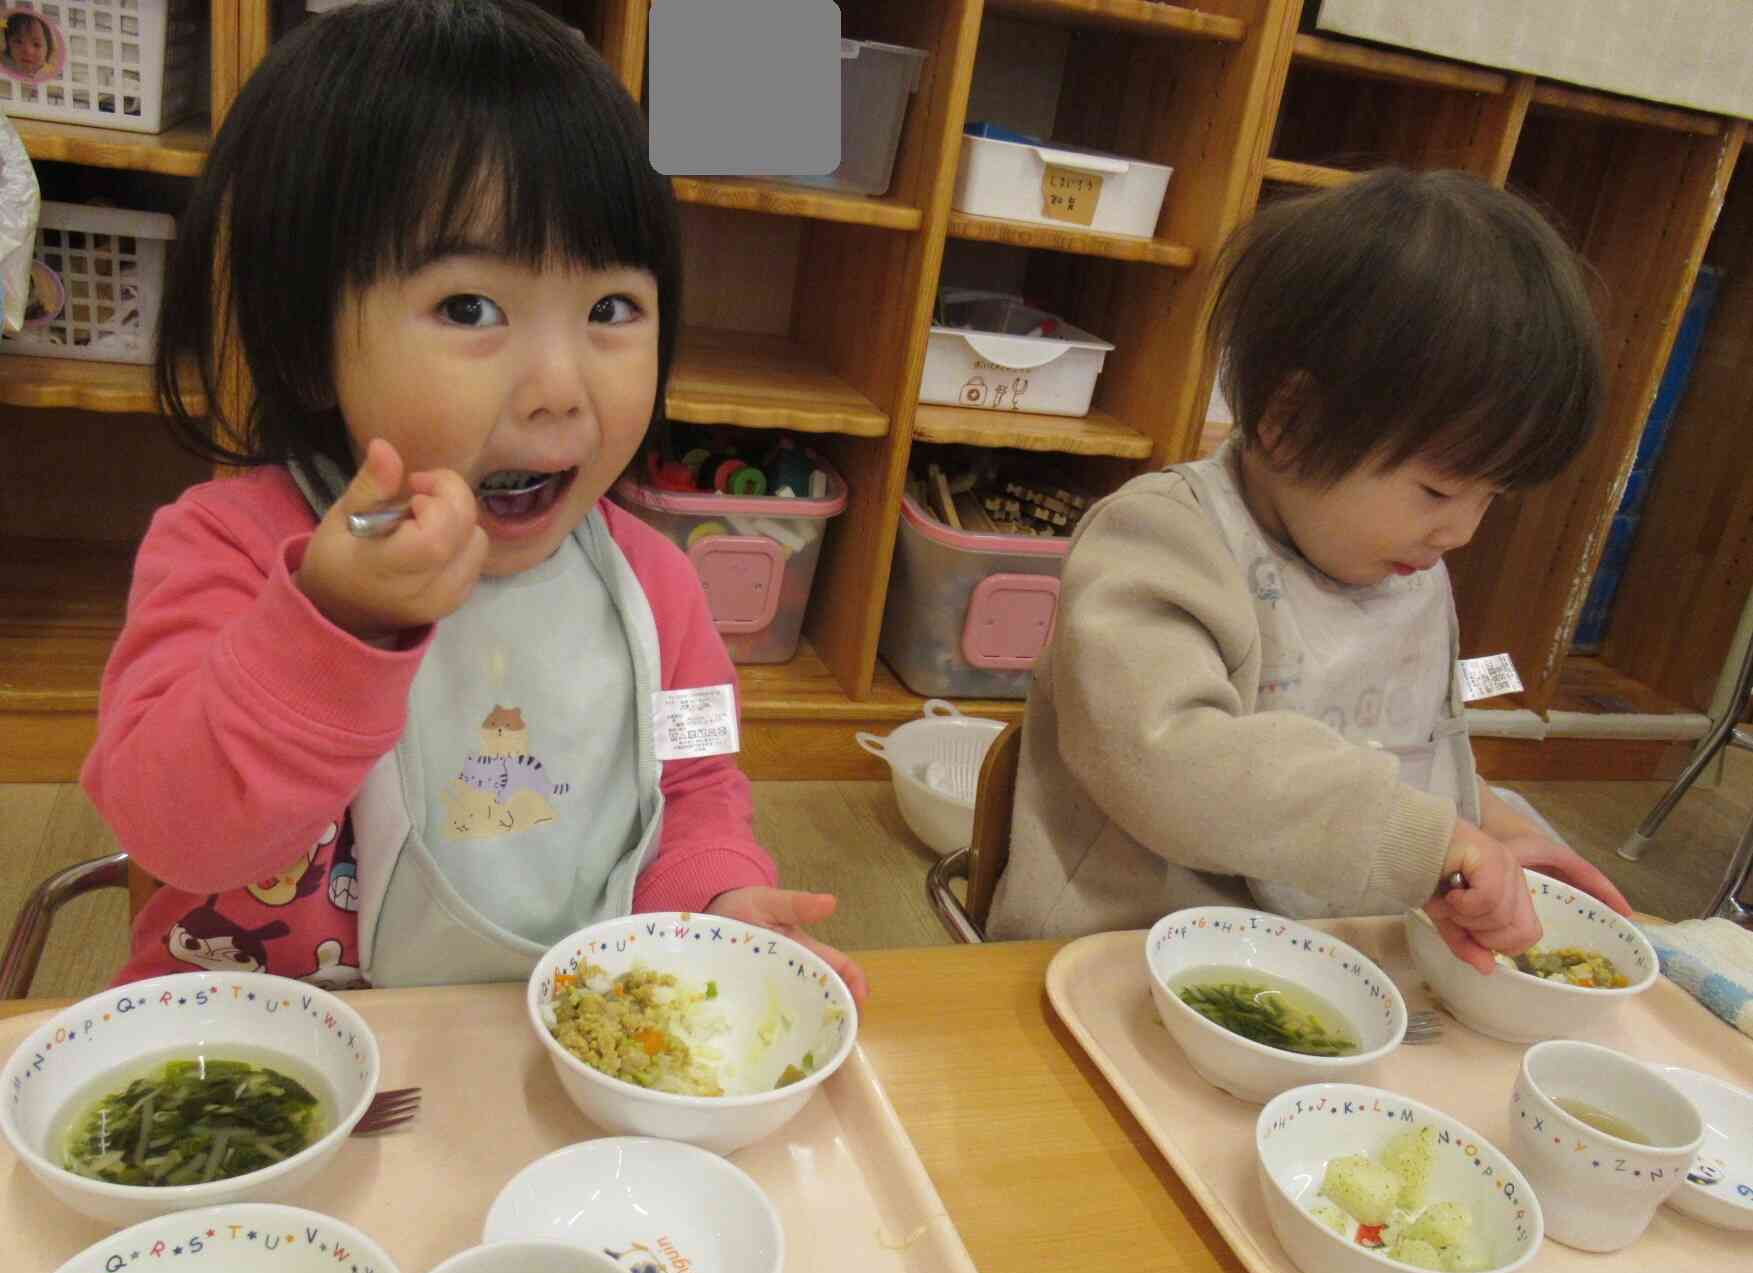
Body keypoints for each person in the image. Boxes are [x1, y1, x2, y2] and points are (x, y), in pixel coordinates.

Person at [82, 0, 867, 1003]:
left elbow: (698, 783)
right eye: (469, 307)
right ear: (304, 342)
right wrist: (334, 618)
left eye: (611, 309)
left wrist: (716, 897)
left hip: (544, 1045)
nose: (558, 385)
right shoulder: (230, 549)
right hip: (263, 1055)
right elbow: (174, 829)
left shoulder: (658, 589)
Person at [988, 169, 1631, 971]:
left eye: (1489, 496)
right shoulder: (1161, 540)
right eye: (1437, 488)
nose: (1462, 529)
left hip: (1331, 959)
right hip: (1119, 960)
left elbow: (1389, 745)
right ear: (1290, 423)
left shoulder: (1394, 559)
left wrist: (1491, 829)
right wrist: (1424, 840)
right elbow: (1167, 762)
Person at [3, 10, 53, 79]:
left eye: (36, 44)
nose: (28, 51)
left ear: (48, 49)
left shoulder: (48, 71)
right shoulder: (6, 62)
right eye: (18, 41)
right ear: (8, 44)